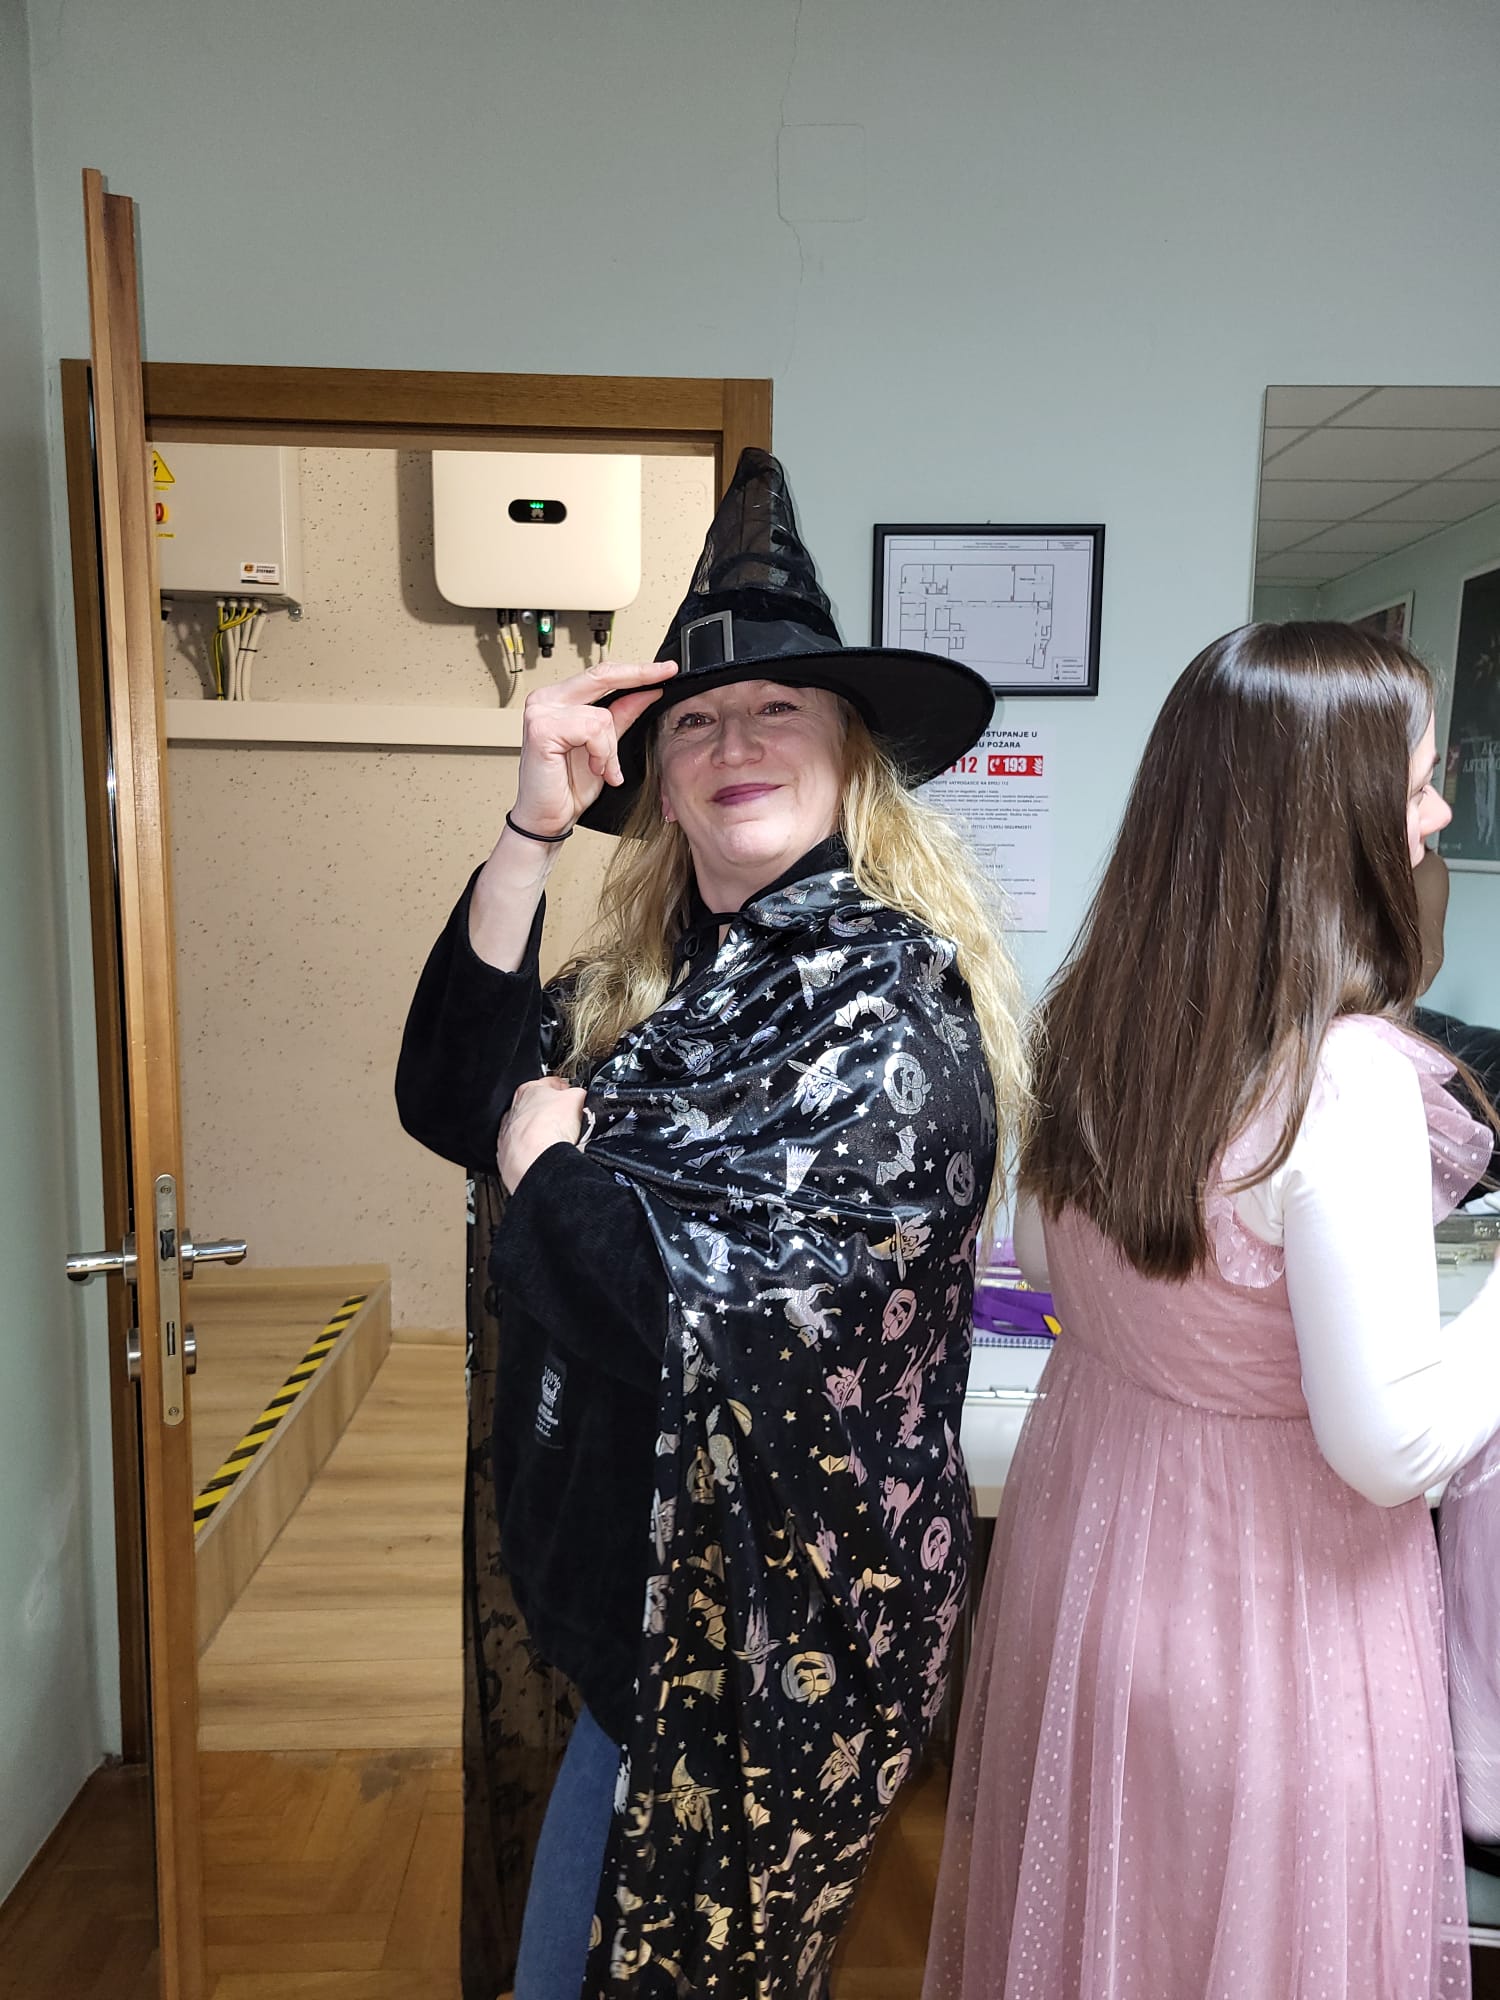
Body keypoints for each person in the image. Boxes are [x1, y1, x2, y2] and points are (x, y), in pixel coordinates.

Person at [397, 450, 1027, 1999]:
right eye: (694, 721)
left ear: (851, 754)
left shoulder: (884, 1014)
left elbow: (735, 1326)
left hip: (758, 1664)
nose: (734, 741)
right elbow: (448, 1093)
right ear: (661, 779)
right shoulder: (670, 992)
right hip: (640, 1635)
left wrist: (550, 1173)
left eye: (777, 709)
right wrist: (531, 830)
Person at [924, 621, 1500, 2000]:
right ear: (1330, 814)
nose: (1435, 815)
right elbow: (1390, 1447)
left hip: (1098, 1599)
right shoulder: (1344, 1080)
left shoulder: (1099, 1026)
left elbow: (1048, 1271)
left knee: (1109, 1945)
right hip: (1277, 1633)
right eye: (1419, 782)